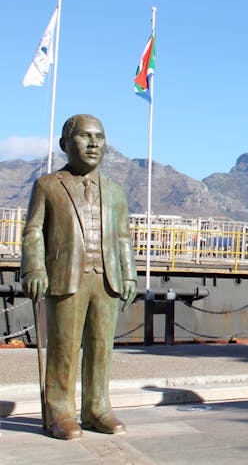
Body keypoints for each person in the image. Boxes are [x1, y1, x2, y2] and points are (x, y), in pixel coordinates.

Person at [22, 114, 137, 439]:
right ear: (64, 144)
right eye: (85, 136)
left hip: (107, 279)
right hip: (66, 277)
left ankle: (97, 407)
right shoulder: (47, 186)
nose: (93, 143)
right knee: (64, 347)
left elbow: (123, 237)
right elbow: (33, 232)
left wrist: (129, 275)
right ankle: (60, 410)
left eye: (99, 137)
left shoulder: (115, 191)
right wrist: (34, 268)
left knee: (102, 348)